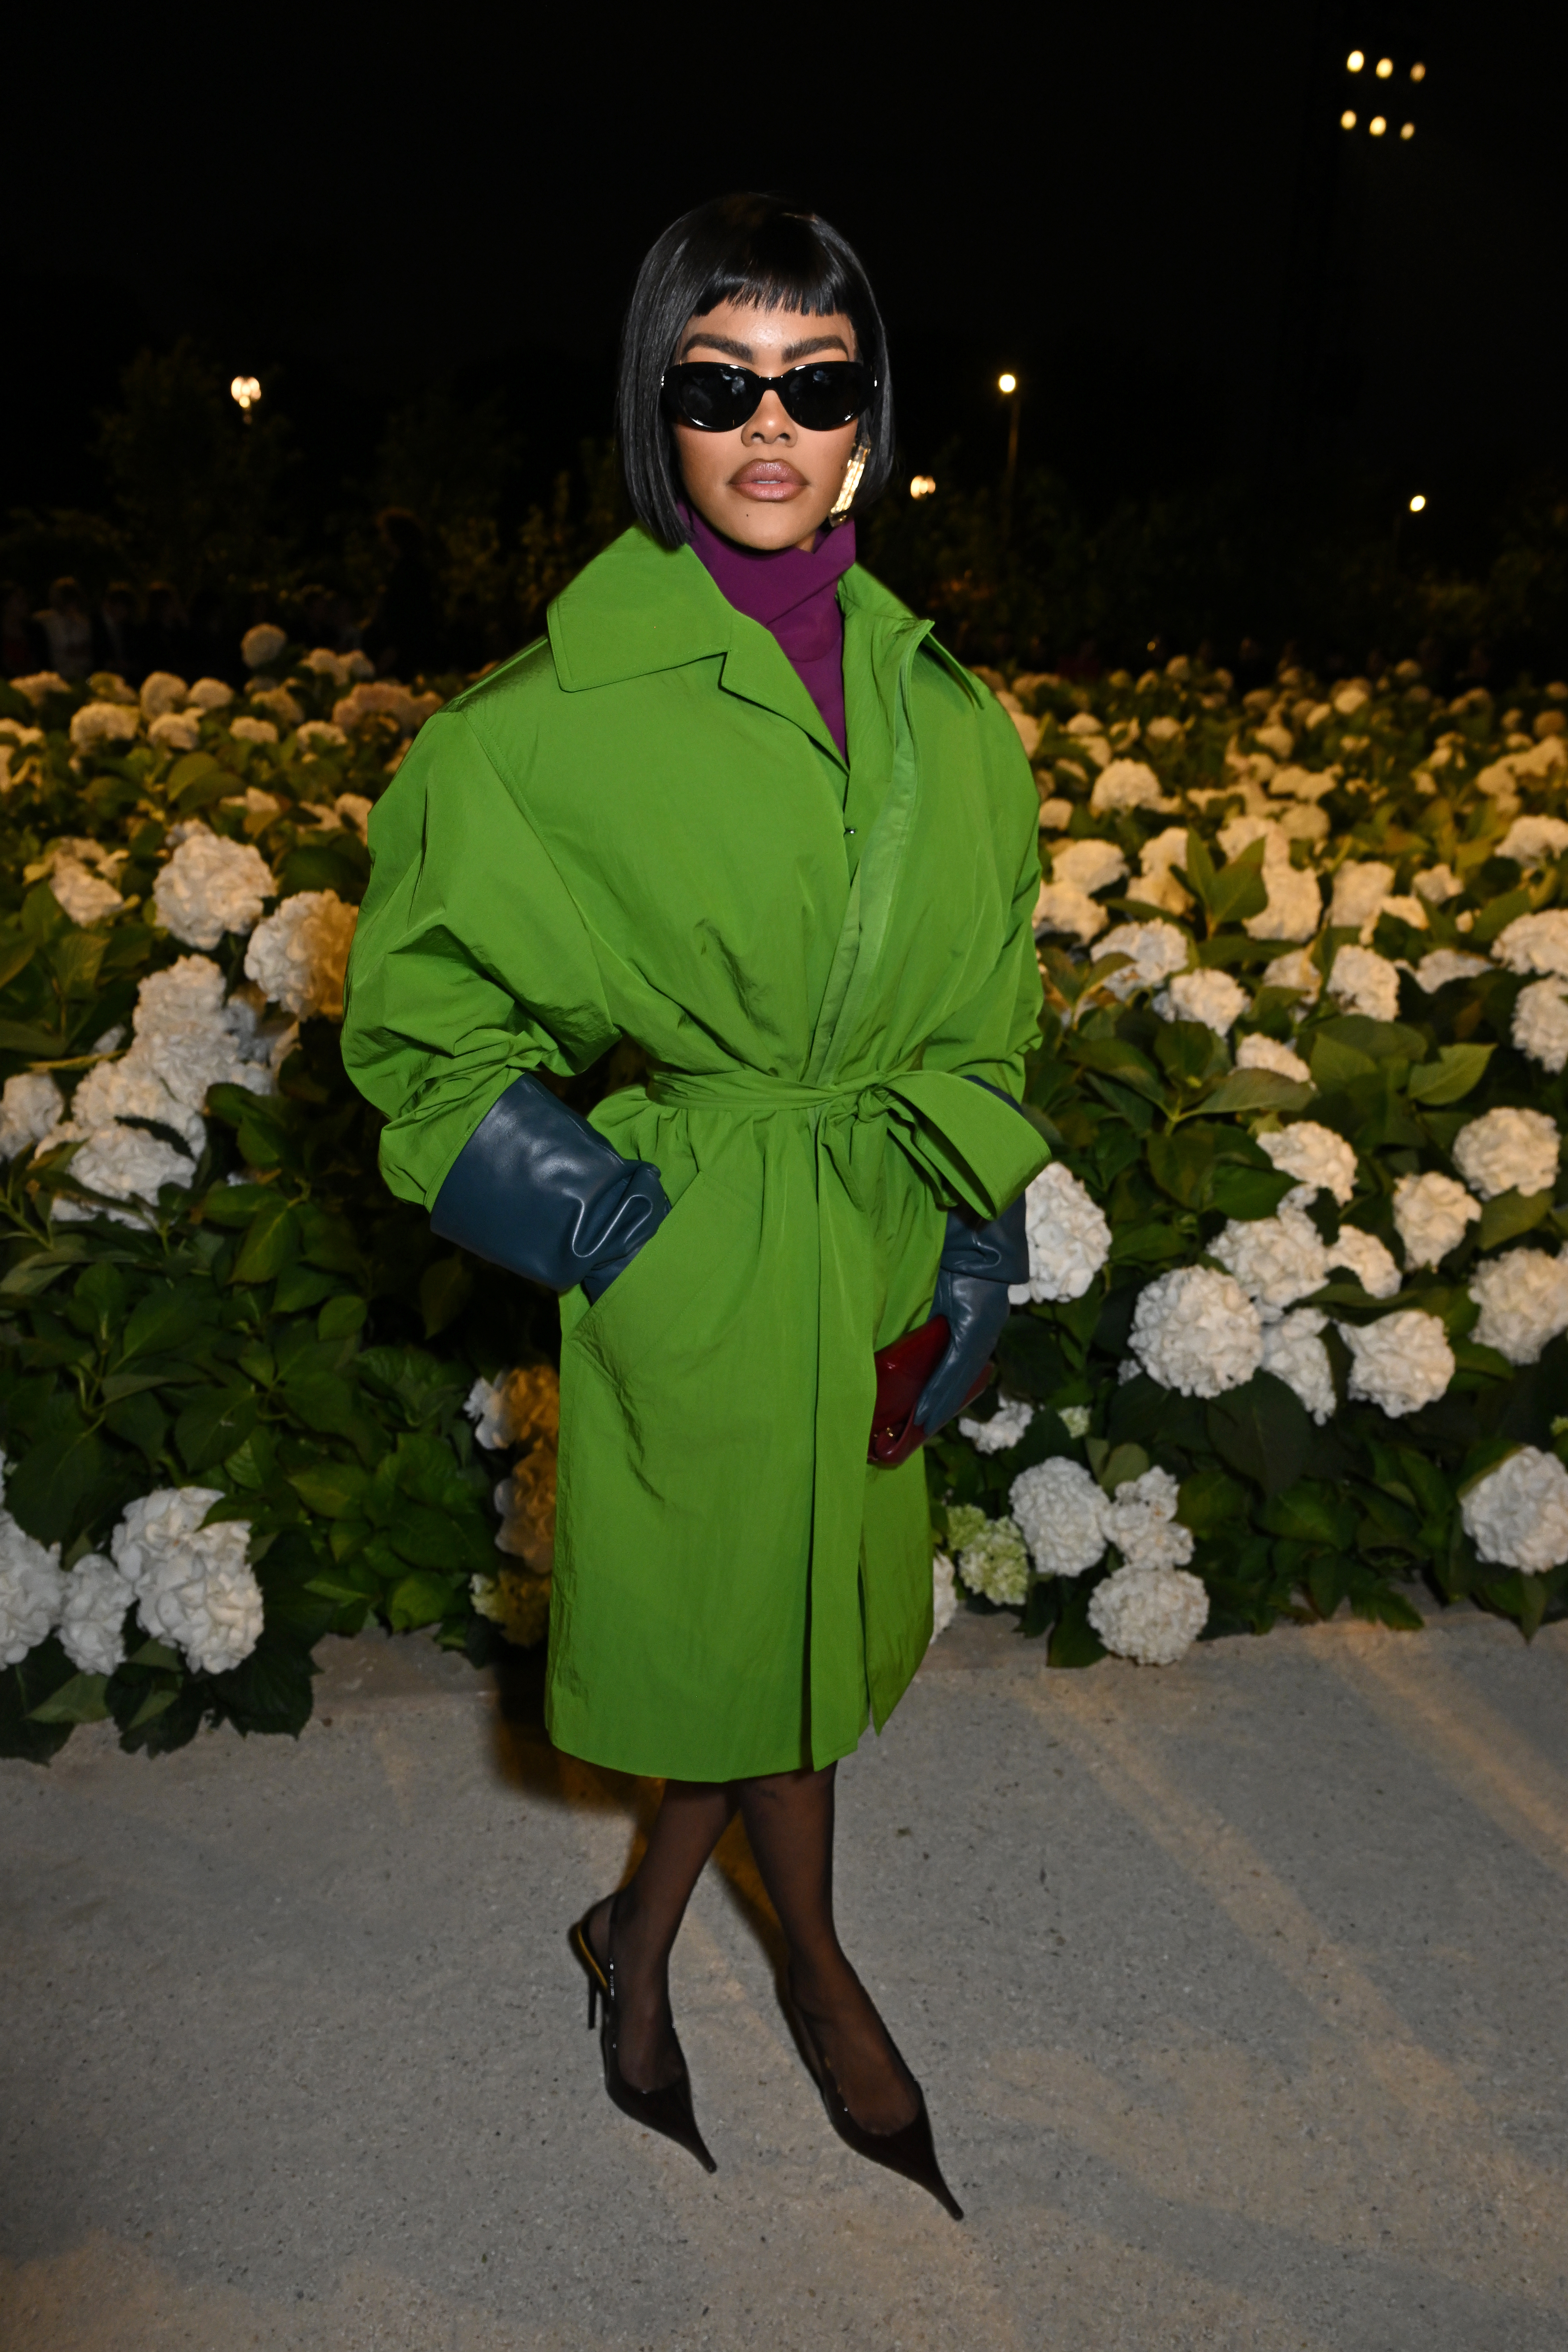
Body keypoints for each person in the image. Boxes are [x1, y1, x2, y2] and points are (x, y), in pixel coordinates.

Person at [341, 194, 1045, 2218]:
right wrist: (583, 1205)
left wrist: (978, 1228)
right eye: (717, 382)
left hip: (885, 1221)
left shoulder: (945, 710)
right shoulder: (550, 718)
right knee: (745, 1648)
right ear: (660, 409)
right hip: (698, 1232)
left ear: (866, 416)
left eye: (815, 385)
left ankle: (631, 1945)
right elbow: (417, 1024)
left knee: (799, 1637)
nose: (770, 424)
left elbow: (993, 996)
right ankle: (818, 1979)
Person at [35, 576, 94, 680]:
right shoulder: (44, 620)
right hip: (56, 676)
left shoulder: (83, 622)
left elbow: (88, 649)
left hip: (81, 675)